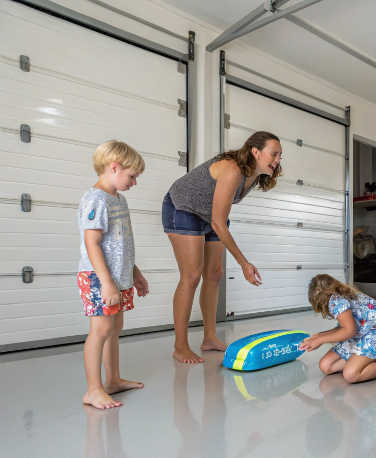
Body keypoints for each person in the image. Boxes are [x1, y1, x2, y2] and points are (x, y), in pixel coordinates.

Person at [163, 131, 282, 364]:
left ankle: (209, 338)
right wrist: (244, 263)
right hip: (182, 208)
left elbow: (218, 215)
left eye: (279, 155)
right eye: (274, 154)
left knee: (215, 274)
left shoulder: (254, 175)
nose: (277, 160)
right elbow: (219, 222)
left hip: (210, 215)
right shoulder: (232, 169)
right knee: (192, 276)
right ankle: (180, 346)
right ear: (255, 152)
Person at [78, 141, 149, 409]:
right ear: (114, 167)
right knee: (100, 330)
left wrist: (135, 272)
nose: (134, 182)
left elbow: (122, 243)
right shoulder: (96, 200)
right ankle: (93, 390)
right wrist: (106, 283)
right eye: (132, 176)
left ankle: (113, 380)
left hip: (120, 276)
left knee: (115, 329)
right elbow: (92, 243)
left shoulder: (119, 198)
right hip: (99, 278)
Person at [299, 274, 376, 383]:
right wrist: (319, 336)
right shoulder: (338, 295)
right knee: (326, 365)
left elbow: (350, 331)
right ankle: (363, 363)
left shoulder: (335, 300)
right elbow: (345, 326)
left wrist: (320, 340)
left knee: (350, 375)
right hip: (362, 332)